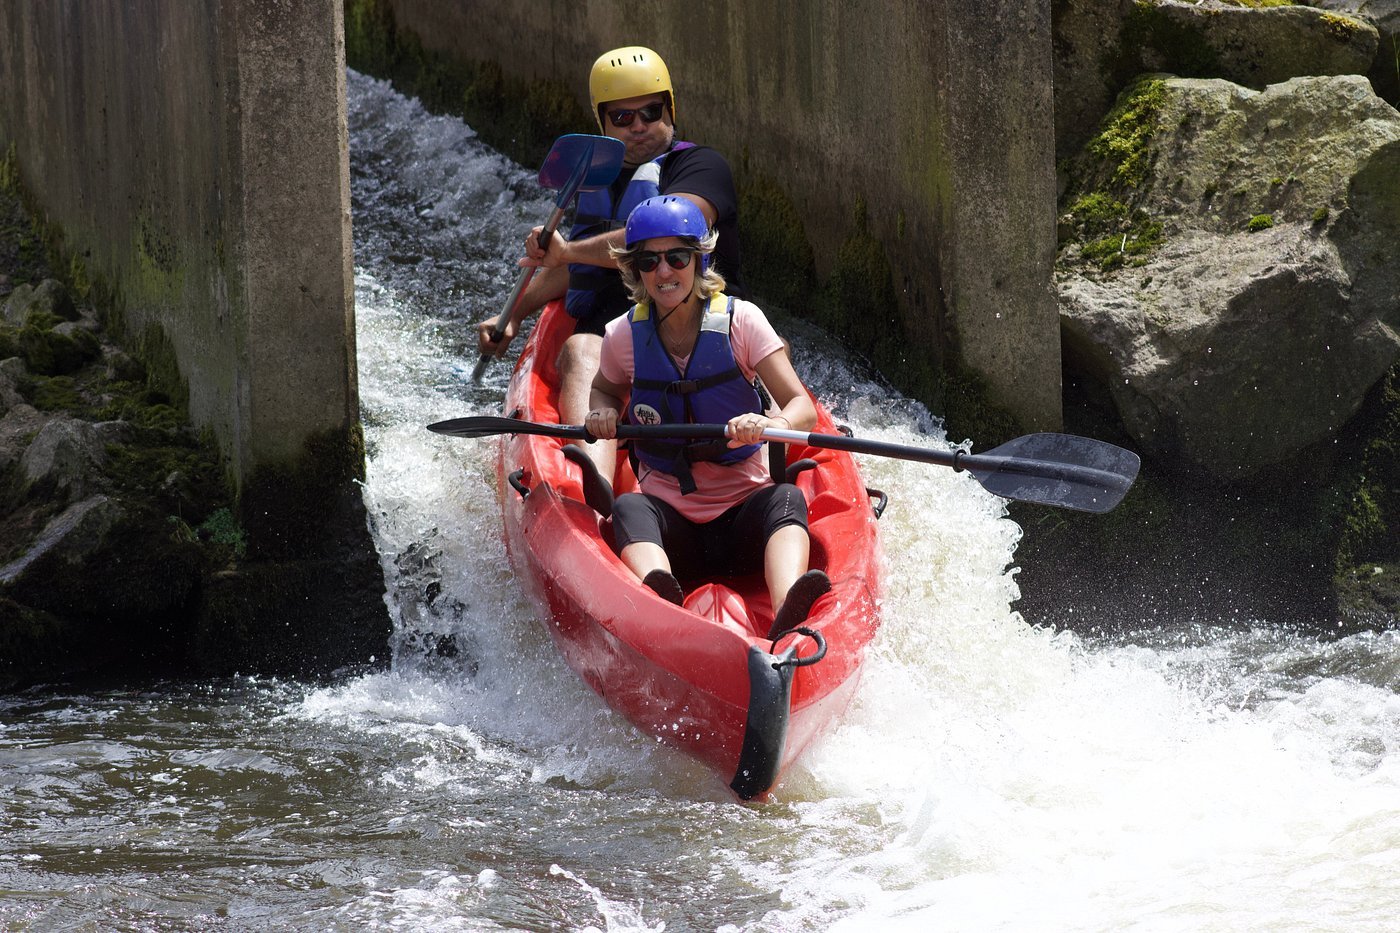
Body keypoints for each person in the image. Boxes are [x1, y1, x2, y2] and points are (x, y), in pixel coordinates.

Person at [475, 46, 744, 490]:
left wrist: (568, 251)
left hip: (704, 331)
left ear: (670, 109)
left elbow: (677, 230)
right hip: (616, 342)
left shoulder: (701, 167)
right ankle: (593, 484)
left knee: (764, 352)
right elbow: (573, 268)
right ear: (601, 123)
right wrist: (515, 314)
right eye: (622, 118)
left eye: (650, 112)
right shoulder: (594, 182)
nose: (638, 126)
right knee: (581, 349)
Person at [584, 195, 828, 638]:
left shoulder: (742, 322)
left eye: (677, 257)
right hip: (672, 528)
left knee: (787, 499)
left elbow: (802, 408)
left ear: (699, 261)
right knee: (628, 506)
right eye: (648, 261)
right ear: (634, 269)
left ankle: (789, 615)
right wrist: (601, 410)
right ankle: (659, 601)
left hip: (744, 515)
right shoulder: (623, 335)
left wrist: (772, 426)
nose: (663, 272)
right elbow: (604, 387)